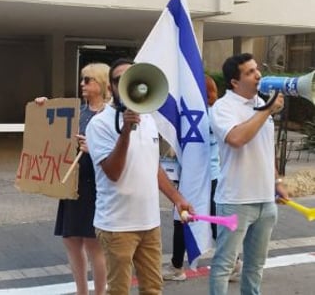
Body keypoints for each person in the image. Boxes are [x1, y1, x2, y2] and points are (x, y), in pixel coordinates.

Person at [85, 58, 194, 295]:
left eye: (130, 78)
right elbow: (113, 172)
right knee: (119, 290)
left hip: (149, 223)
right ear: (111, 87)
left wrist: (177, 198)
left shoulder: (149, 120)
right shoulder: (99, 125)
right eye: (118, 80)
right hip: (117, 226)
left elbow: (153, 166)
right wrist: (125, 131)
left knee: (153, 288)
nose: (125, 84)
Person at [209, 53, 289, 295]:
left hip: (265, 199)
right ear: (235, 82)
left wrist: (276, 181)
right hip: (236, 200)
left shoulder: (260, 103)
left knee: (255, 267)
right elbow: (236, 139)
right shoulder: (223, 107)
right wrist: (267, 110)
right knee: (224, 265)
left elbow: (265, 148)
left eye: (257, 69)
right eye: (250, 72)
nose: (258, 75)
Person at [34, 63, 109, 295]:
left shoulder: (110, 115)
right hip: (72, 183)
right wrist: (44, 108)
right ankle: (81, 291)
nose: (82, 84)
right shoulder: (79, 111)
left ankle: (99, 292)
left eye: (88, 80)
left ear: (102, 83)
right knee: (72, 241)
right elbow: (54, 132)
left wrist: (93, 149)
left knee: (93, 244)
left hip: (95, 185)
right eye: (82, 79)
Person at [163, 74, 223, 282]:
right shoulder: (204, 114)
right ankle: (177, 264)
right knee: (189, 219)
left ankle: (177, 266)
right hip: (199, 176)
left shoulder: (209, 115)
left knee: (191, 220)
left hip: (205, 177)